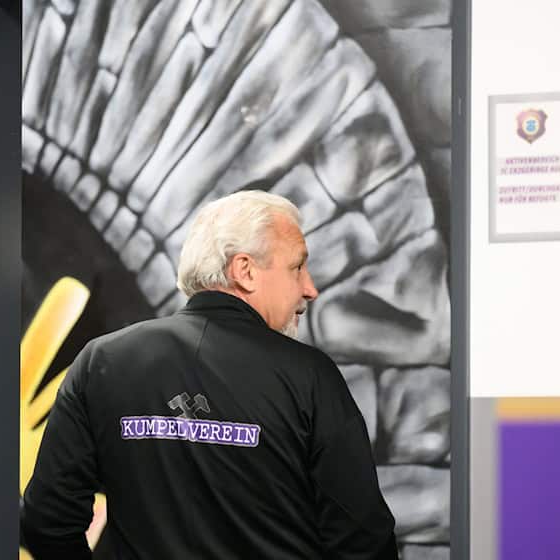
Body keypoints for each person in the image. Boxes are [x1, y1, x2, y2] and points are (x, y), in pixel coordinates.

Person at [20, 190, 397, 559]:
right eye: (297, 266)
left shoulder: (101, 363)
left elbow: (47, 521)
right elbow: (362, 541)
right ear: (245, 271)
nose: (310, 288)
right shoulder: (310, 378)